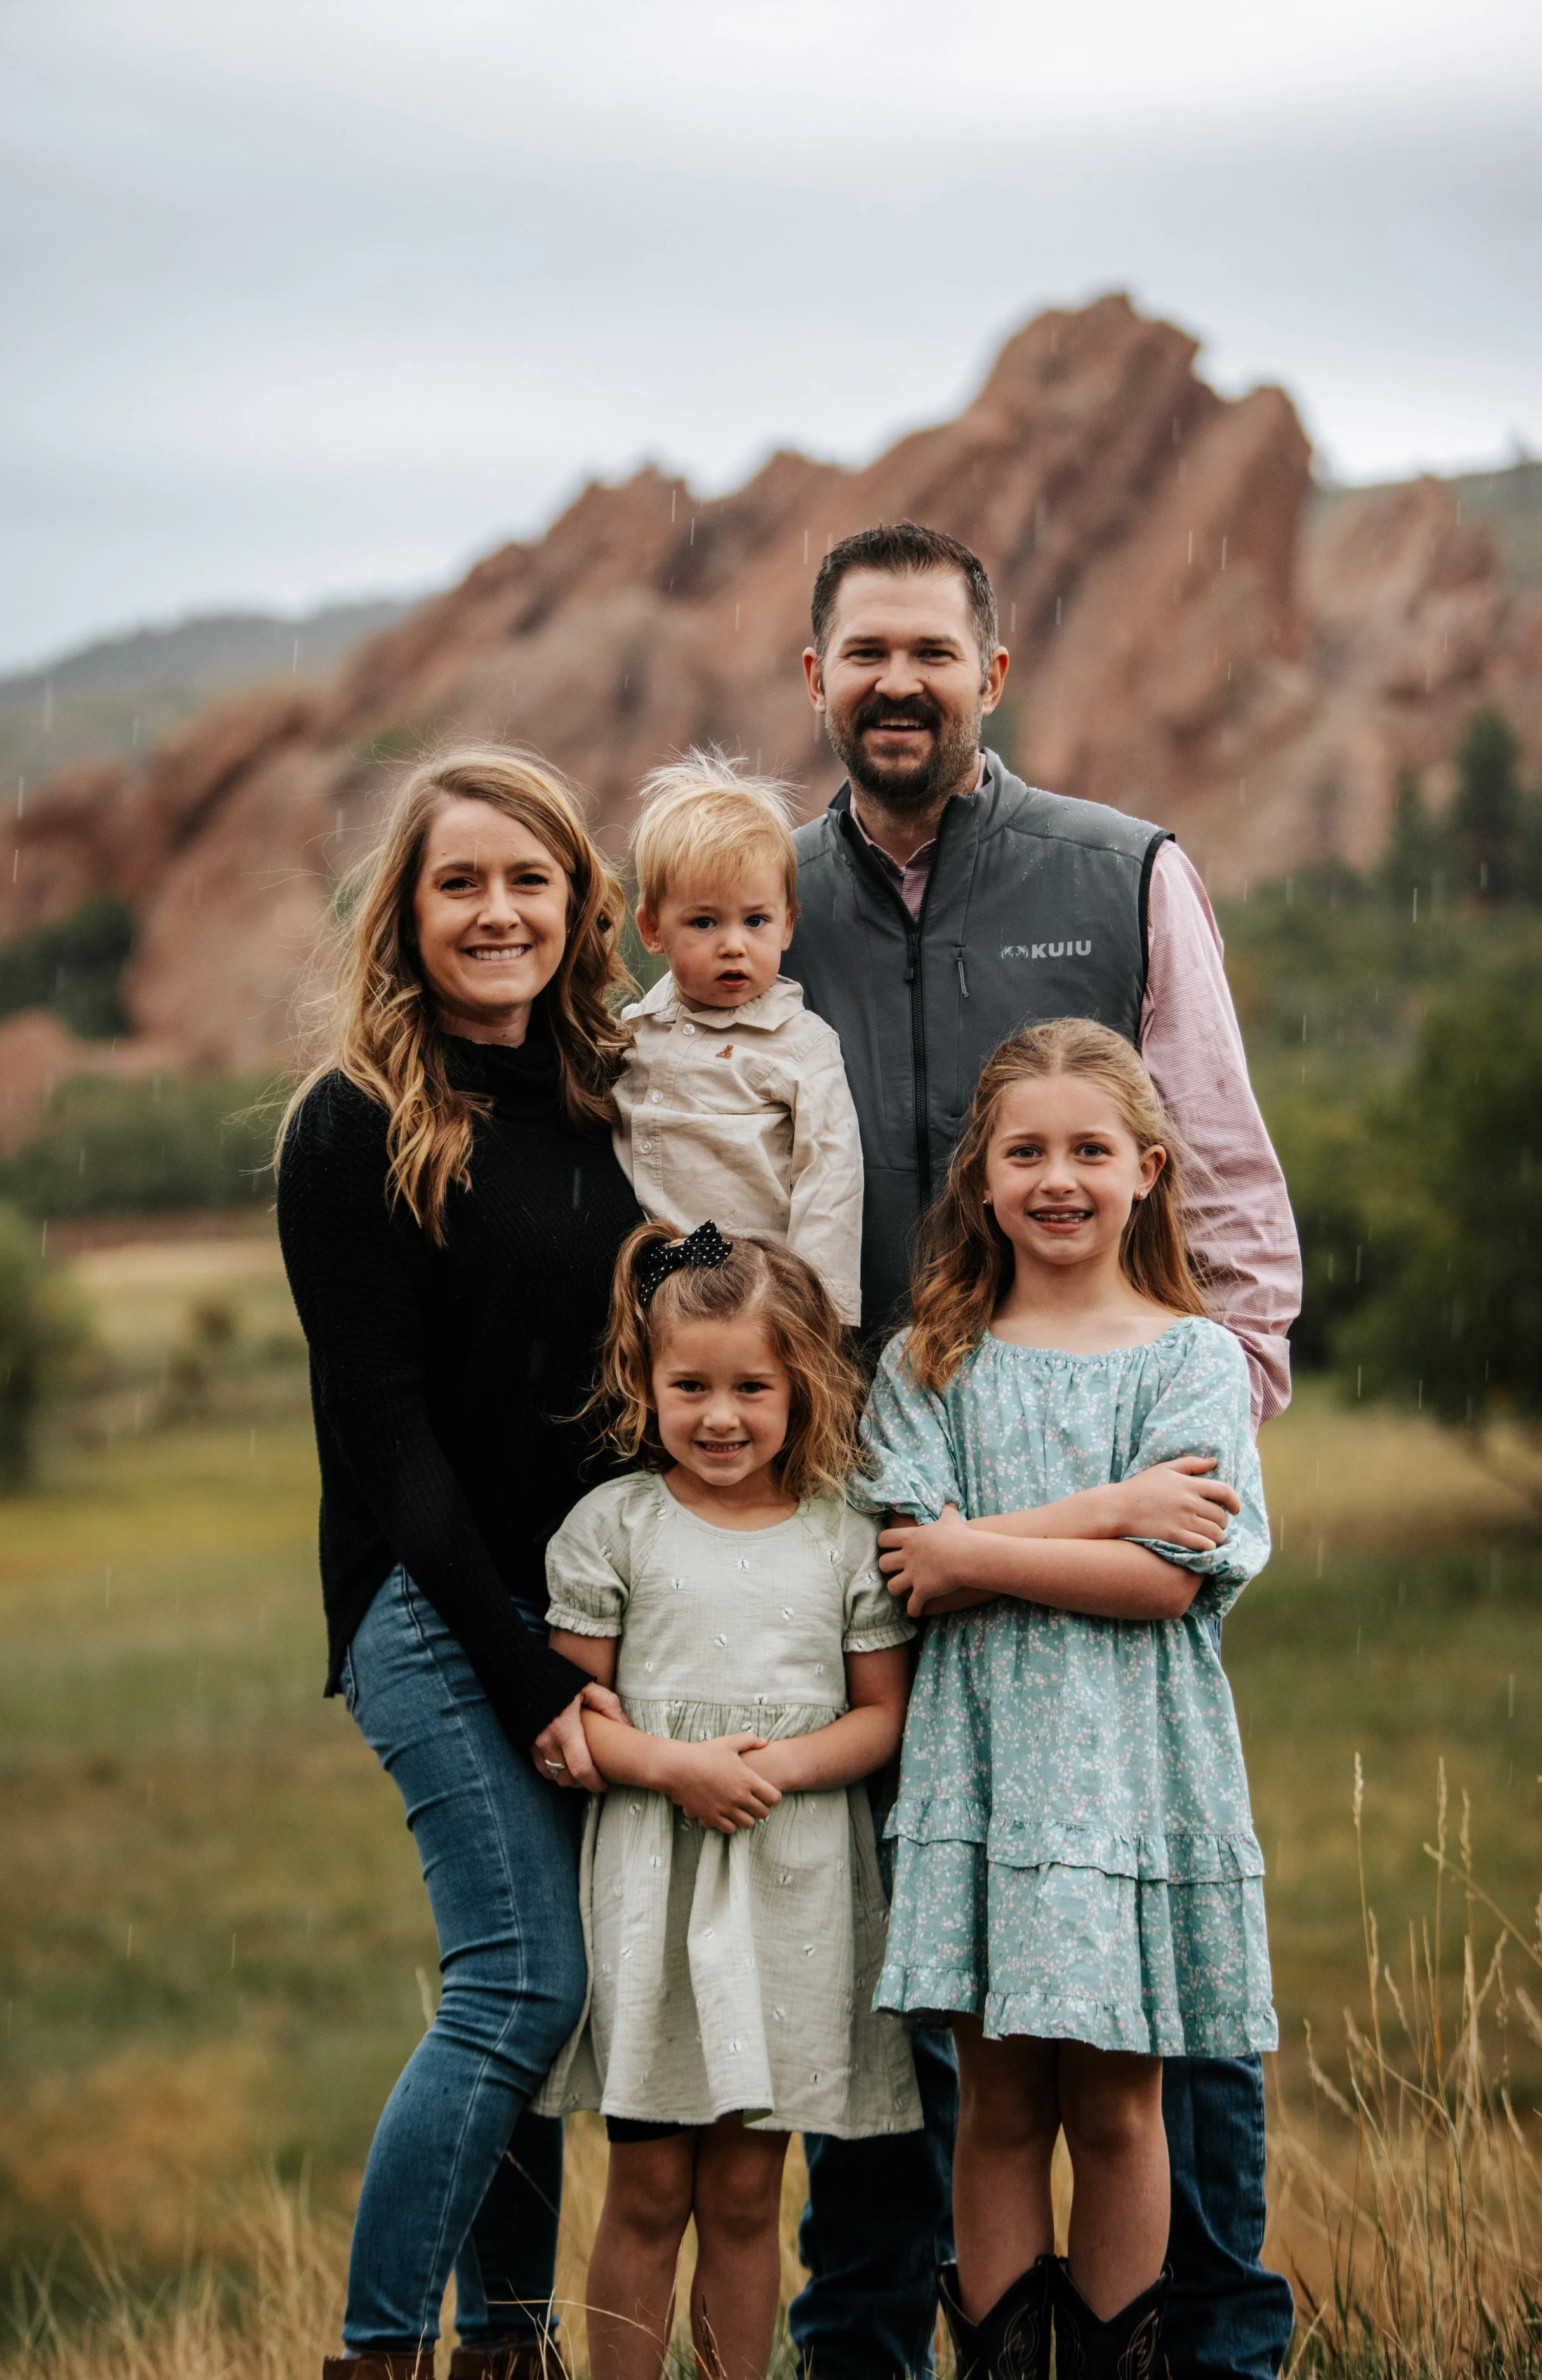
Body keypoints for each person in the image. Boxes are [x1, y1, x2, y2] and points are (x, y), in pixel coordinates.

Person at [785, 523, 1300, 2380]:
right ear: (817, 679)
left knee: (1151, 2005)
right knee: (918, 1982)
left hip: (1131, 1522)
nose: (896, 683)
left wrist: (1196, 1442)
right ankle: (881, 2344)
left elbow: (1225, 1182)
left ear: (988, 676)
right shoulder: (769, 899)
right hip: (872, 1505)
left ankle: (1205, 2347)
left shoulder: (1118, 871)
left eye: (931, 650)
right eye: (863, 654)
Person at [275, 747, 646, 2380]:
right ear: (406, 916)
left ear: (577, 903)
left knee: (549, 2006)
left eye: (528, 880)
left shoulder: (607, 1108)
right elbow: (389, 1440)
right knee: (520, 1976)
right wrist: (533, 1682)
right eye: (458, 883)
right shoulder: (353, 1125)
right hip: (429, 1611)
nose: (497, 912)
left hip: (581, 1614)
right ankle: (379, 2357)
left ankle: (508, 2346)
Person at [859, 1020, 1275, 2380]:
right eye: (1022, 1150)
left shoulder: (1193, 1360)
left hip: (1129, 1776)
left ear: (1147, 1168)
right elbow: (910, 1569)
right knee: (992, 2105)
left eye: (1088, 1149)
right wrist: (1101, 1510)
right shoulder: (930, 1360)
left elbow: (1164, 1584)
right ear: (978, 1177)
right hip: (980, 1777)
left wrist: (976, 1547)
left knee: (1115, 2104)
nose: (1057, 1178)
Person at [534, 1220, 921, 2380]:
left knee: (749, 2190)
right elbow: (571, 1719)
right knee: (649, 2182)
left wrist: (773, 1771)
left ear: (801, 1385)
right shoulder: (615, 1527)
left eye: (752, 1385)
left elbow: (880, 1715)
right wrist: (681, 1768)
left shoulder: (845, 1536)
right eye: (688, 1384)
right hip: (656, 1886)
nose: (719, 1415)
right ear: (645, 1382)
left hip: (788, 1889)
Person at [613, 752, 864, 1323]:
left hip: (755, 1305)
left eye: (756, 921)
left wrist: (820, 1318)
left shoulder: (801, 1045)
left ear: (788, 923)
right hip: (643, 1304)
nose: (734, 945)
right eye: (704, 922)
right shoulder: (630, 1037)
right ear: (652, 929)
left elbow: (831, 1182)